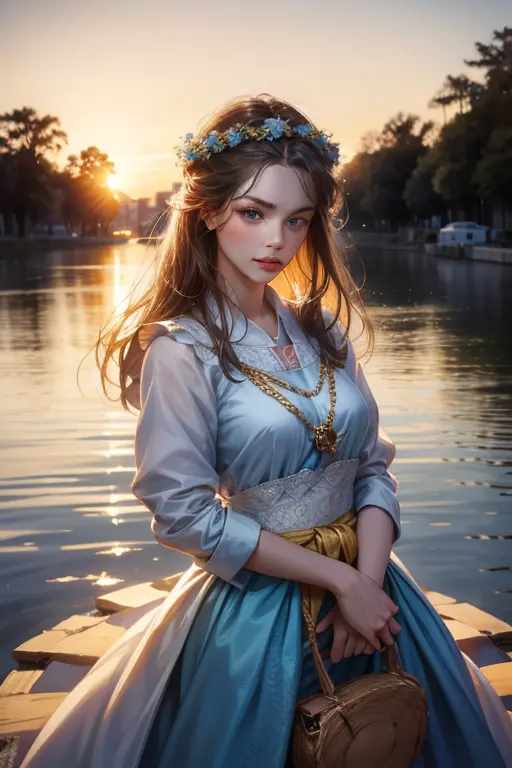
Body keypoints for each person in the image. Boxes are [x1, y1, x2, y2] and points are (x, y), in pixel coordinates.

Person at [21, 94, 512, 768]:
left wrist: (366, 584)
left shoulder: (324, 329)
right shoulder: (180, 349)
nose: (277, 240)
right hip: (262, 614)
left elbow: (372, 466)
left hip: (379, 596)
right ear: (209, 211)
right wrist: (336, 584)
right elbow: (183, 515)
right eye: (254, 213)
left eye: (297, 219)